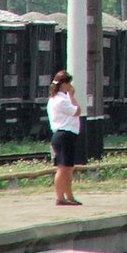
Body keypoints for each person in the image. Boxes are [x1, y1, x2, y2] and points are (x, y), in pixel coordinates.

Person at [47, 70, 82, 206]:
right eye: (69, 83)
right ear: (64, 84)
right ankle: (60, 197)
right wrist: (72, 95)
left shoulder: (57, 99)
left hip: (67, 135)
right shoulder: (61, 100)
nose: (70, 86)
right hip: (63, 135)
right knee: (63, 168)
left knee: (68, 168)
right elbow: (77, 111)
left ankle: (69, 196)